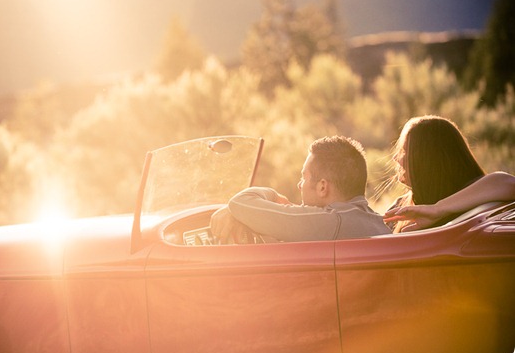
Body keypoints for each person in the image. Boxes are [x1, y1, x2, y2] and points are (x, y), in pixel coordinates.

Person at [210, 136, 391, 243]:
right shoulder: (378, 222)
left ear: (322, 187)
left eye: (303, 177)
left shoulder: (329, 222)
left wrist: (273, 195)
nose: (299, 185)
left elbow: (240, 203)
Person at [383, 115, 515, 232]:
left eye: (404, 151)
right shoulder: (401, 206)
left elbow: (508, 183)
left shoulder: (474, 201)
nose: (396, 158)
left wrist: (437, 209)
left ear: (428, 159)